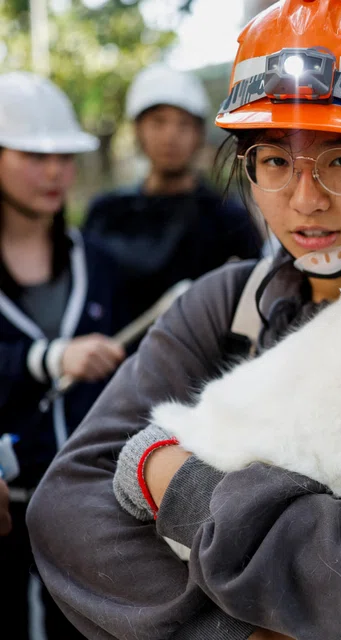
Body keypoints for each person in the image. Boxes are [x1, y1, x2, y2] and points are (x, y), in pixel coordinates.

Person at [26, 2, 341, 639]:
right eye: (274, 160)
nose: (305, 199)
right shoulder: (224, 301)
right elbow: (67, 506)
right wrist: (246, 633)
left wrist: (173, 479)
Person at [0, 71, 127, 640]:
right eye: (33, 155)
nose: (55, 172)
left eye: (64, 157)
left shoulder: (95, 260)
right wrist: (45, 359)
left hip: (89, 514)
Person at [83, 63, 264, 322]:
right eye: (158, 122)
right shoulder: (107, 214)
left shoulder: (228, 220)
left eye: (183, 124)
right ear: (138, 130)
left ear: (199, 134)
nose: (170, 136)